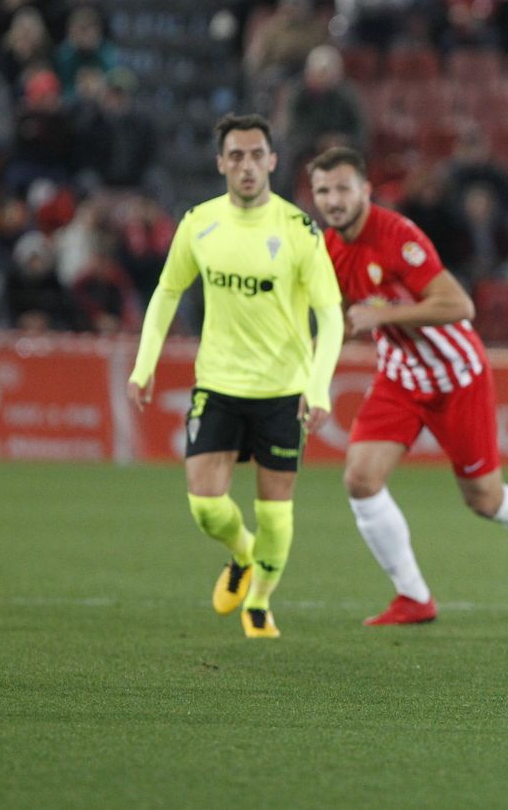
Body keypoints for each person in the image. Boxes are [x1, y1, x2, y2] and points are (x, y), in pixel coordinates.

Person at [308, 147, 508, 626]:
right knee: (360, 478)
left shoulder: (397, 235)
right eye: (323, 190)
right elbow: (338, 315)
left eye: (342, 188)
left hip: (456, 375)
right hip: (400, 375)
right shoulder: (329, 249)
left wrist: (383, 316)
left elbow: (460, 305)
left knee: (485, 499)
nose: (333, 199)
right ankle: (413, 597)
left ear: (364, 189)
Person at [126, 114, 345, 640]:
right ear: (221, 162)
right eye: (236, 156)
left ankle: (261, 605)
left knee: (275, 513)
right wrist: (144, 363)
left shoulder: (298, 230)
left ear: (272, 161)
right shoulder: (199, 222)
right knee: (205, 505)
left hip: (282, 392)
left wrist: (317, 386)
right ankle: (242, 555)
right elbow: (166, 292)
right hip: (219, 385)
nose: (247, 166)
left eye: (256, 155)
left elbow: (331, 314)